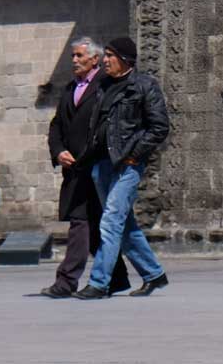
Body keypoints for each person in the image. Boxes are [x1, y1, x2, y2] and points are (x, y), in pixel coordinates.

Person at [73, 36, 171, 299]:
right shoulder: (103, 86)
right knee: (124, 225)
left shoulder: (144, 86)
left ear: (125, 59)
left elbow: (160, 127)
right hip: (102, 165)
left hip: (126, 165)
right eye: (104, 55)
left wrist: (134, 155)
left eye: (110, 55)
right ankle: (154, 274)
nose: (105, 60)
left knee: (111, 222)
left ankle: (99, 282)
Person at [43, 37, 128, 297]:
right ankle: (118, 278)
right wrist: (58, 152)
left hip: (98, 166)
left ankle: (66, 281)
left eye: (79, 56)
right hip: (74, 167)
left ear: (94, 59)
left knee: (82, 222)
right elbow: (57, 125)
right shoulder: (70, 88)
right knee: (89, 223)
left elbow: (112, 125)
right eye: (72, 56)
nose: (74, 60)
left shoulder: (106, 87)